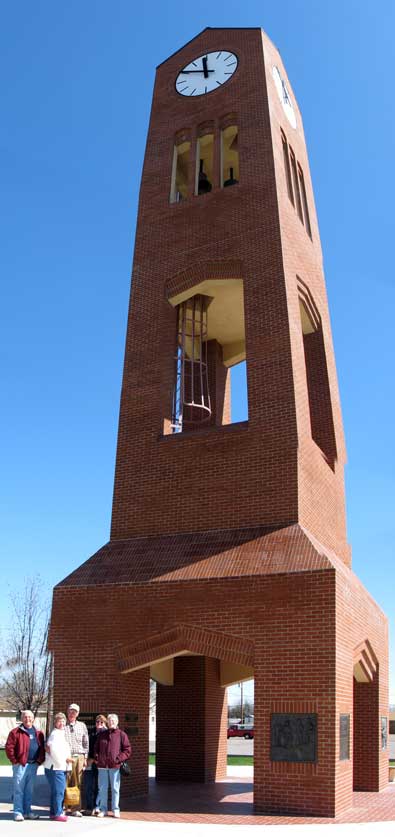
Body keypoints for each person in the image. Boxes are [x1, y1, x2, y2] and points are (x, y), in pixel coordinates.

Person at [5, 709, 45, 822]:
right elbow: (9, 748)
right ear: (22, 719)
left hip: (33, 766)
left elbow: (42, 748)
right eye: (25, 717)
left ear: (33, 719)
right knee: (18, 790)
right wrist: (15, 761)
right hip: (20, 765)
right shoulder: (15, 732)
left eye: (30, 717)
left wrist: (39, 761)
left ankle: (27, 812)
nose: (28, 719)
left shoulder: (38, 733)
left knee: (29, 790)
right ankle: (18, 812)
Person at [94, 713, 131, 818]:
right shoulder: (102, 734)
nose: (111, 722)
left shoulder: (121, 734)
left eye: (113, 720)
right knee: (102, 789)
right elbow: (96, 748)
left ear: (117, 722)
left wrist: (118, 759)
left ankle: (115, 809)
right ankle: (103, 809)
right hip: (102, 767)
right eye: (110, 721)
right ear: (107, 723)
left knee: (115, 789)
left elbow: (127, 750)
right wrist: (97, 758)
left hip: (114, 766)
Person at [44, 712, 73, 822]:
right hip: (56, 767)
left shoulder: (60, 733)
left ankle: (53, 813)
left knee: (56, 791)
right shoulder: (55, 734)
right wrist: (65, 760)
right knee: (59, 791)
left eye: (63, 721)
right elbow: (54, 751)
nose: (61, 723)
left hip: (57, 767)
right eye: (59, 721)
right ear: (55, 723)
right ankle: (58, 813)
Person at [63, 702, 89, 817]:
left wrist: (85, 758)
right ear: (67, 712)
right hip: (66, 757)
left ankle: (75, 808)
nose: (72, 713)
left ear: (77, 713)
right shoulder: (62, 725)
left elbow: (86, 743)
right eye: (70, 711)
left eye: (74, 711)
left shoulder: (82, 726)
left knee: (77, 783)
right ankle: (64, 807)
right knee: (65, 782)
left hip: (79, 756)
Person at [83, 714, 107, 816]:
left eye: (101, 722)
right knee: (88, 785)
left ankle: (97, 806)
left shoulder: (106, 734)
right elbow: (85, 745)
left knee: (99, 786)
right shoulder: (90, 732)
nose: (99, 724)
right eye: (97, 722)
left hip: (100, 764)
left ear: (104, 724)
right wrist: (88, 758)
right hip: (89, 762)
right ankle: (89, 806)